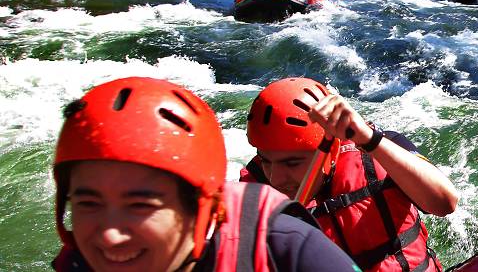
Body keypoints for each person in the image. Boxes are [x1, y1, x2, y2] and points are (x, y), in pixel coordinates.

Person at [51, 76, 360, 272]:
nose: (109, 235)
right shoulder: (77, 259)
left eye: (140, 205)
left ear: (203, 205)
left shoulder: (286, 247)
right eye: (88, 203)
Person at [241, 77, 459, 272]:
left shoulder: (381, 151)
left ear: (331, 151)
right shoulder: (253, 190)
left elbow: (444, 203)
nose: (275, 179)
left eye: (292, 162)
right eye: (266, 161)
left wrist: (369, 139)